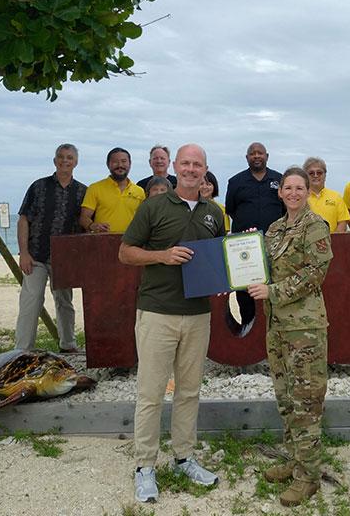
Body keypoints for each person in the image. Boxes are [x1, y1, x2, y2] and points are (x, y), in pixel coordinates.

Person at [119, 144, 226, 503]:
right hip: (157, 312)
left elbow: (219, 260)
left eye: (198, 164)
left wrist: (224, 281)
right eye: (186, 163)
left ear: (206, 170)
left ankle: (184, 457)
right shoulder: (153, 206)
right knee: (150, 393)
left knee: (189, 391)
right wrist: (162, 256)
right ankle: (144, 467)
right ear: (175, 168)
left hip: (197, 316)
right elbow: (126, 252)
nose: (192, 169)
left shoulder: (215, 213)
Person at [247, 166, 333, 507]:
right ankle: (296, 461)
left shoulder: (315, 226)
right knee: (286, 400)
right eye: (288, 187)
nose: (294, 193)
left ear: (308, 191)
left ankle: (308, 478)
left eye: (300, 187)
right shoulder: (274, 229)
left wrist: (274, 291)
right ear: (280, 192)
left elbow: (316, 273)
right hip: (278, 326)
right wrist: (247, 249)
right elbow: (260, 269)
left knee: (306, 402)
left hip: (304, 329)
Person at [15, 144, 87, 353]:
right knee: (31, 301)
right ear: (55, 161)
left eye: (70, 157)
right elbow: (23, 220)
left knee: (65, 302)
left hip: (65, 258)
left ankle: (68, 344)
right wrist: (24, 253)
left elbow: (85, 224)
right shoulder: (38, 186)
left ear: (76, 162)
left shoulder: (83, 191)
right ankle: (22, 350)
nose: (65, 161)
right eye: (61, 157)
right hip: (36, 254)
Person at [225, 142, 284, 327]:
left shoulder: (279, 179)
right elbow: (231, 209)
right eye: (252, 154)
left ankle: (275, 329)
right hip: (245, 248)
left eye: (260, 153)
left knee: (275, 286)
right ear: (247, 158)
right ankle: (248, 326)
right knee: (246, 290)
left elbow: (284, 209)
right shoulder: (235, 182)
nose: (256, 156)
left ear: (267, 156)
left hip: (275, 245)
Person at [80, 147, 145, 233]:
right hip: (103, 242)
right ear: (108, 164)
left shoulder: (139, 191)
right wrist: (92, 226)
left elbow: (145, 220)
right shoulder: (95, 188)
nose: (120, 165)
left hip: (131, 243)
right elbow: (84, 218)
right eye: (115, 162)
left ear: (130, 164)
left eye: (124, 161)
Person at [303, 156, 349, 233]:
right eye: (311, 173)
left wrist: (333, 241)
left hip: (332, 243)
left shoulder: (336, 197)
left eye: (319, 172)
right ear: (305, 176)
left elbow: (342, 222)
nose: (315, 175)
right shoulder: (300, 197)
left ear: (325, 175)